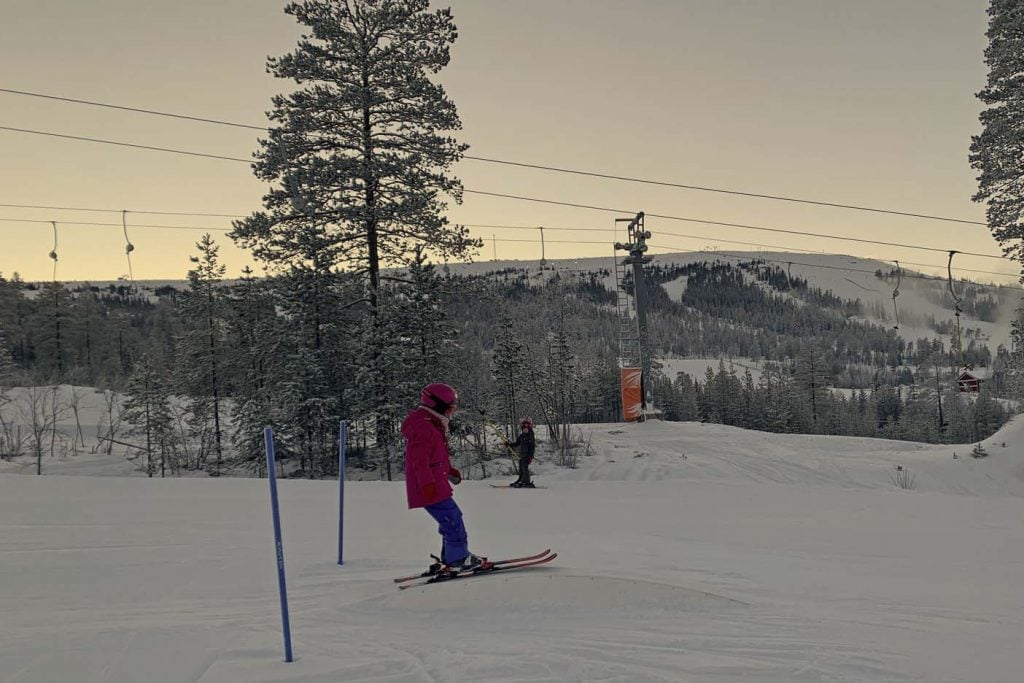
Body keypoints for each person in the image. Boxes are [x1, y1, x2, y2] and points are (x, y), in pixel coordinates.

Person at [402, 382, 486, 572]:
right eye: (450, 407)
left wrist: (449, 470)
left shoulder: (433, 424)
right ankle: (457, 558)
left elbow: (435, 456)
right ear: (437, 406)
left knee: (451, 518)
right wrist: (426, 484)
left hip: (436, 484)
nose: (453, 411)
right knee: (452, 519)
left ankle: (452, 555)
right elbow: (419, 461)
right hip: (429, 487)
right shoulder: (424, 428)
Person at [508, 417, 537, 488]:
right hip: (522, 455)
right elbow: (517, 443)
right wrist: (509, 444)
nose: (525, 429)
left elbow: (532, 447)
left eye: (527, 427)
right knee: (521, 468)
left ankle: (526, 482)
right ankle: (521, 480)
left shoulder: (530, 436)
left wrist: (530, 457)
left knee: (525, 468)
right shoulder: (521, 436)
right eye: (524, 427)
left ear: (529, 427)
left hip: (527, 455)